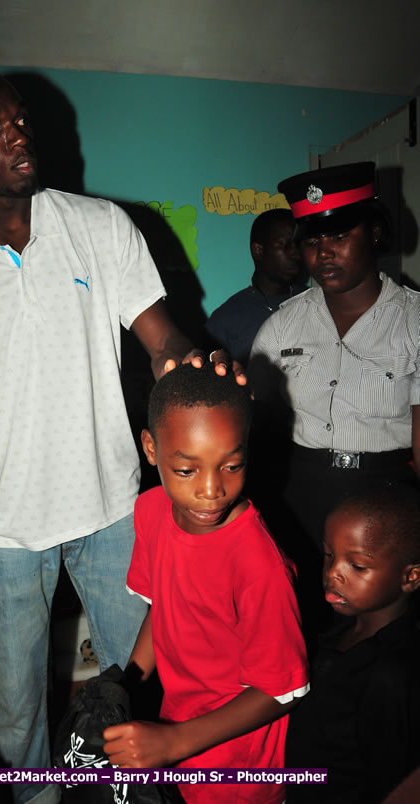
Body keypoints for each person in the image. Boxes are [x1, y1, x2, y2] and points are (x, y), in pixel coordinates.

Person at [0, 66, 243, 804]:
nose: (17, 132)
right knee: (19, 724)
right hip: (7, 530)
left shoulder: (100, 226)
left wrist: (195, 371)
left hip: (113, 507)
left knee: (142, 682)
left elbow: (161, 339)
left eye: (19, 118)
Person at [103, 363, 309, 804]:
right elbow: (162, 606)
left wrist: (174, 742)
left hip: (237, 754)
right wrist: (127, 685)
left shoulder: (259, 564)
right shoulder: (152, 511)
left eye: (231, 465)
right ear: (152, 449)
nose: (212, 490)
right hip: (178, 723)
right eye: (187, 471)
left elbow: (282, 690)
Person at [249, 162, 420, 566]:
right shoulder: (282, 326)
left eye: (340, 236)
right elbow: (257, 422)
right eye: (311, 242)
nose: (324, 252)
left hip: (386, 496)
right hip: (297, 497)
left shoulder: (413, 321)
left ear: (374, 232)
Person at [286, 481, 420, 803]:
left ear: (410, 577)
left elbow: (391, 783)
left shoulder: (392, 676)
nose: (333, 573)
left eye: (357, 566)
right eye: (329, 555)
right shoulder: (335, 628)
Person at [206, 208, 304, 366]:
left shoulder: (318, 303)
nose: (296, 253)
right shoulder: (226, 319)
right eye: (284, 245)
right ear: (258, 250)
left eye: (298, 244)